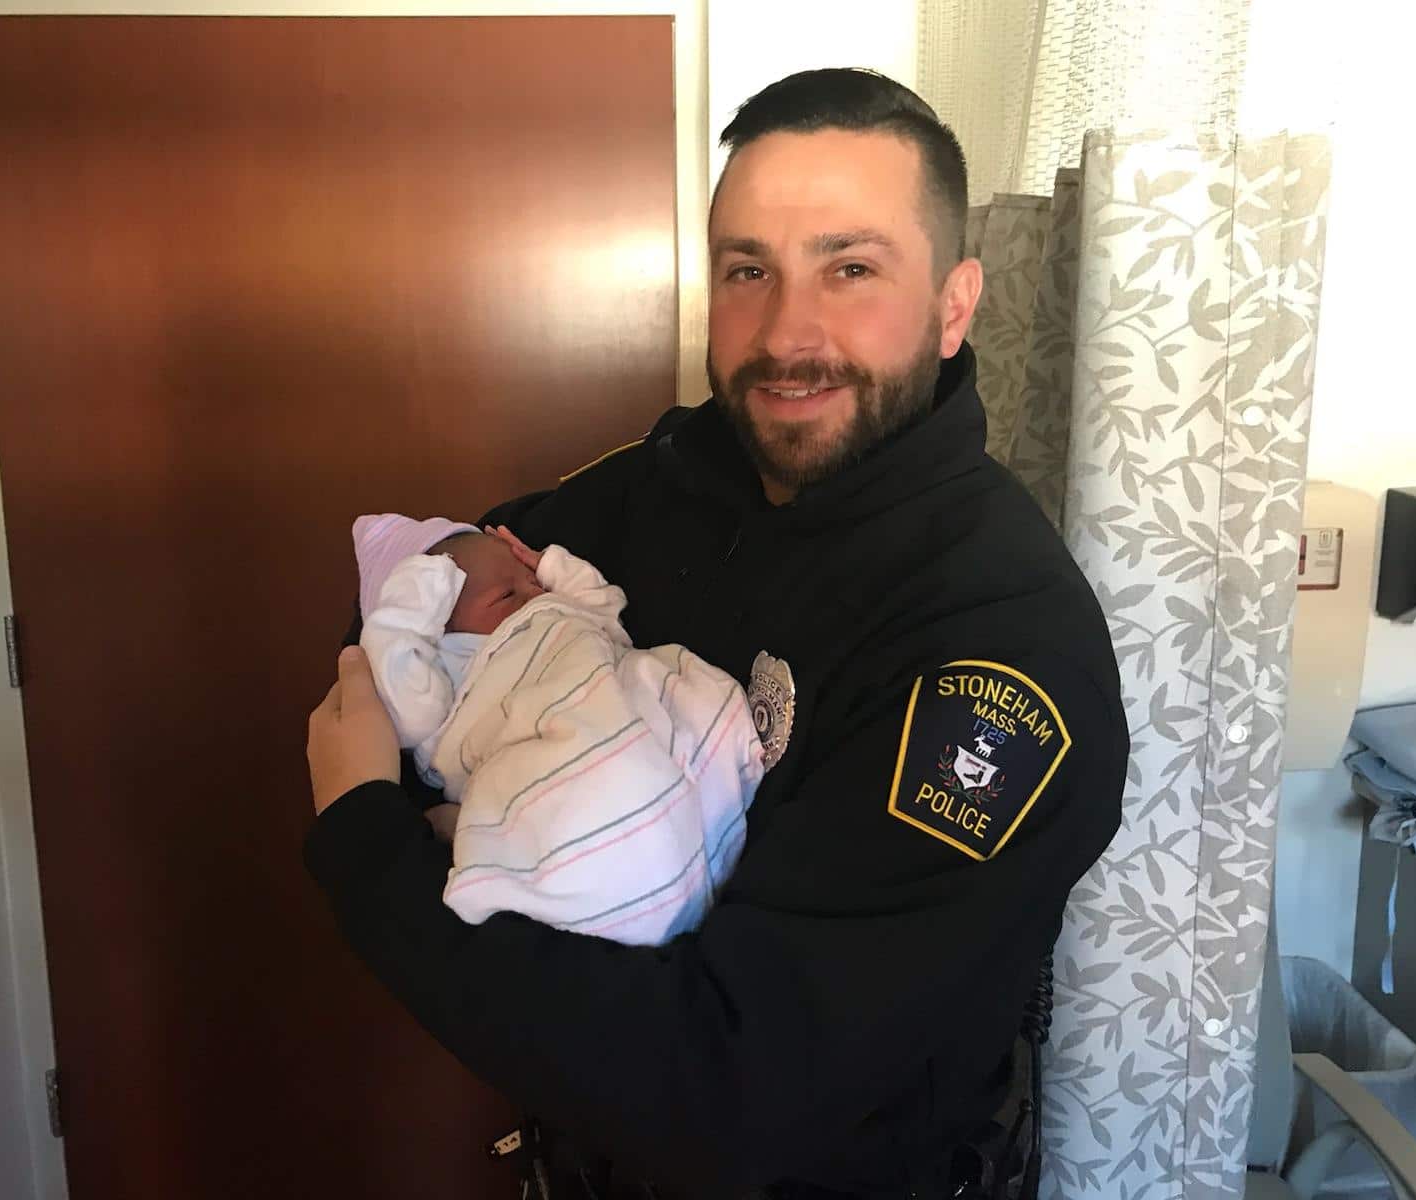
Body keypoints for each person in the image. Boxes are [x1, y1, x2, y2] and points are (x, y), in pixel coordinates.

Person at [305, 68, 1129, 1199]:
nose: (787, 333)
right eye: (749, 270)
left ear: (953, 305)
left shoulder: (997, 646)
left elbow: (734, 1089)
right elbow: (427, 588)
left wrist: (368, 842)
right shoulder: (668, 476)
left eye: (850, 268)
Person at [350, 512, 765, 945]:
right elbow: (404, 708)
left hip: (615, 701)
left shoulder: (560, 609)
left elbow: (606, 605)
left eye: (534, 582)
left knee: (679, 703)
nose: (534, 593)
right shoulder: (449, 667)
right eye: (506, 594)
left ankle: (677, 825)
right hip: (543, 755)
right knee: (581, 791)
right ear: (434, 622)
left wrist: (549, 565)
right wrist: (406, 607)